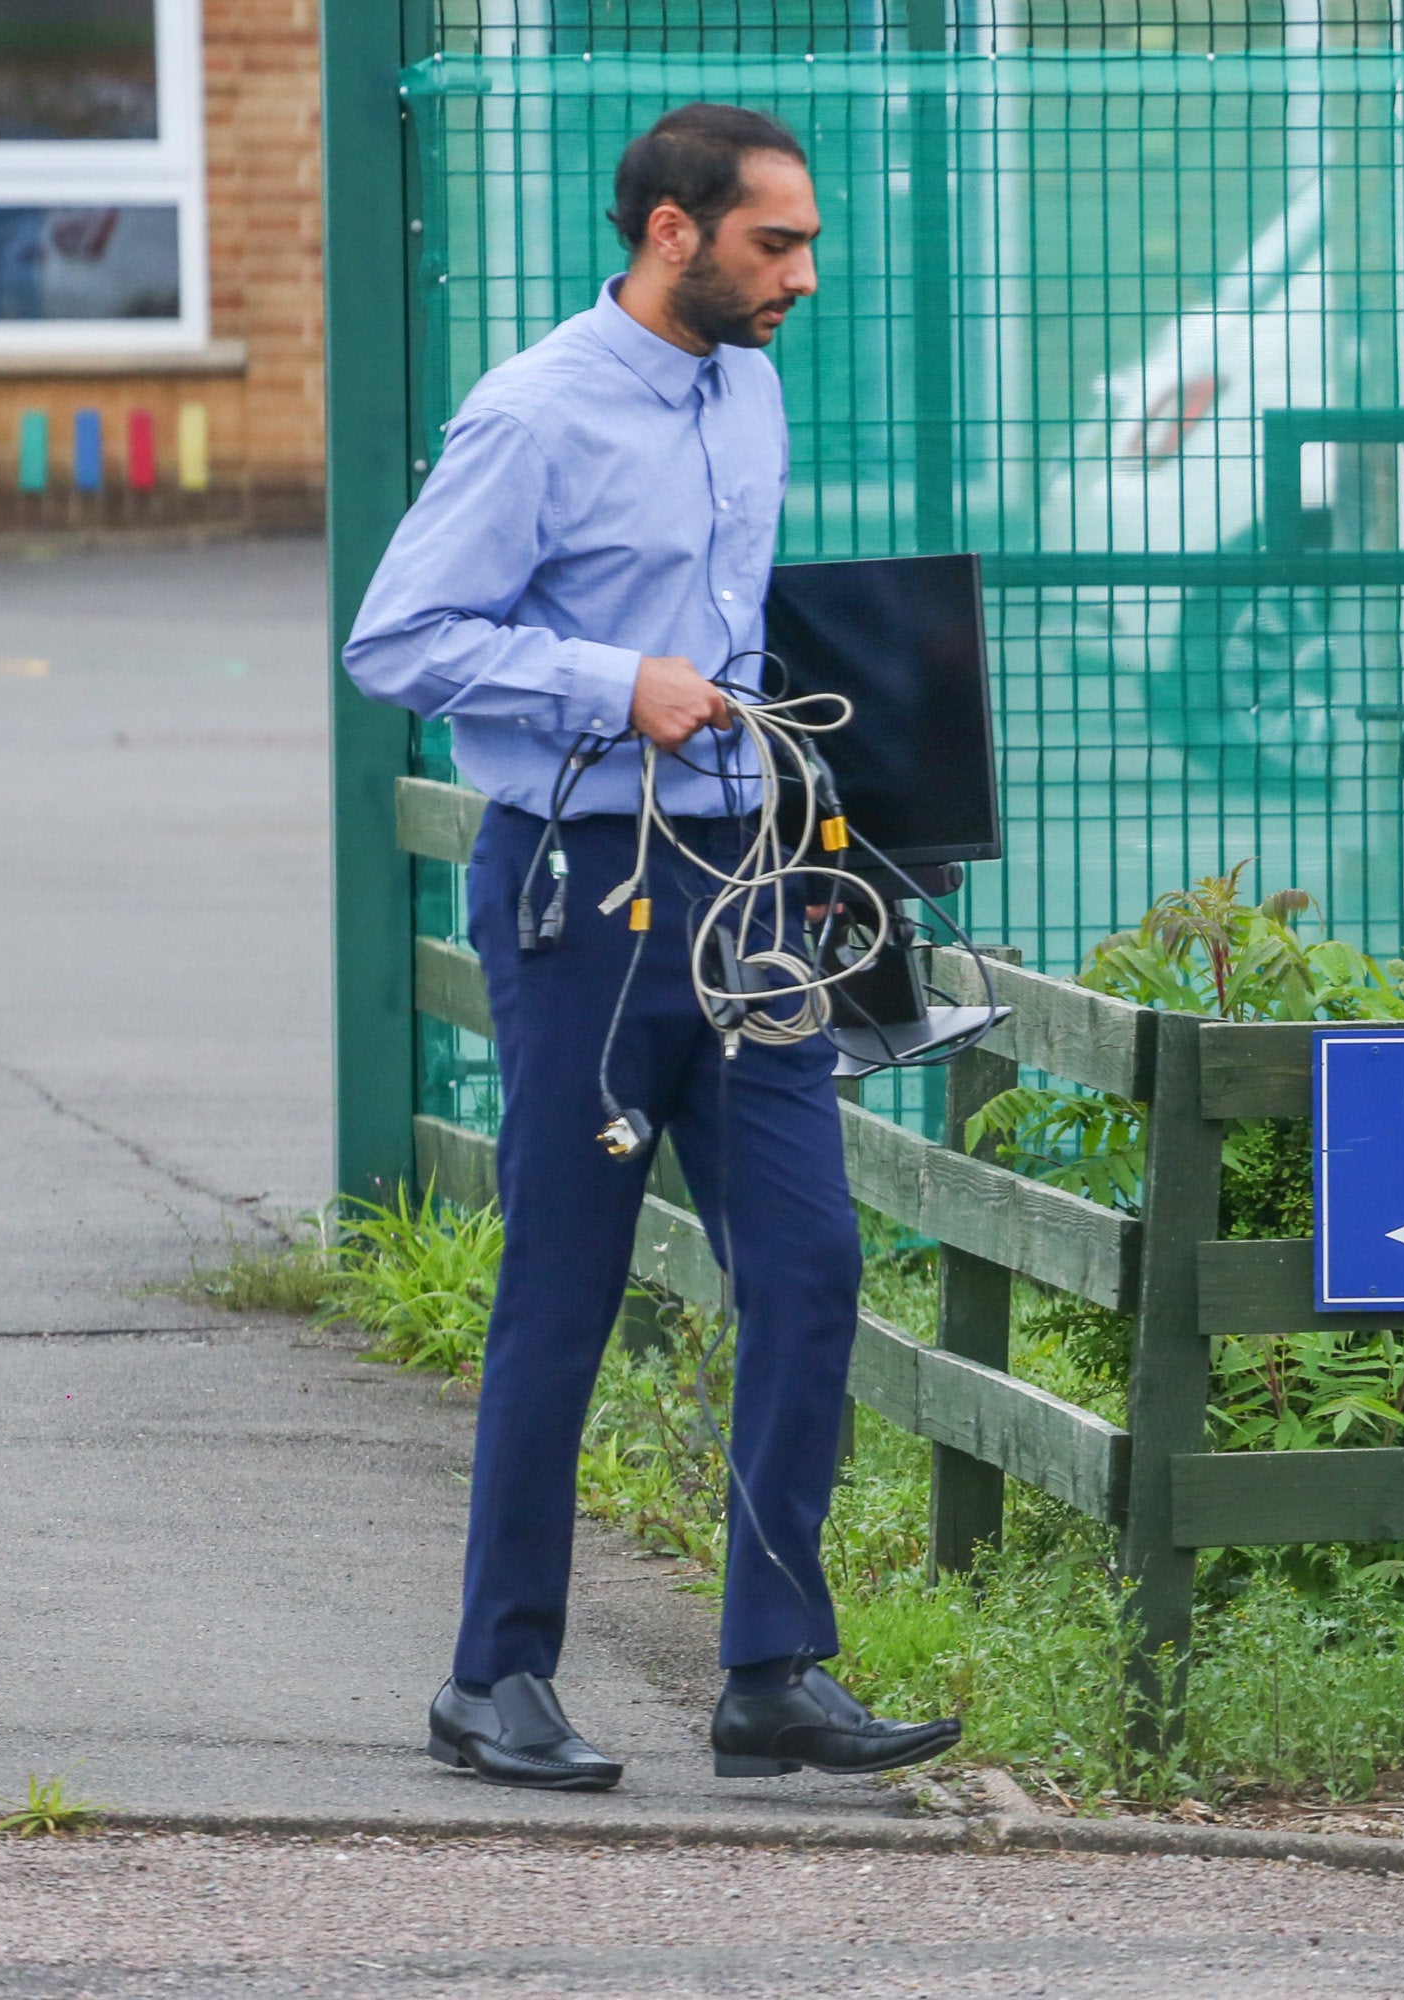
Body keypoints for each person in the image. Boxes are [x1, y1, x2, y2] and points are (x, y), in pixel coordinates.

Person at [345, 102, 960, 1792]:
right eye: (778, 243)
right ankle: (496, 1678)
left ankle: (770, 1675)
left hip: (743, 884)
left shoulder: (745, 391)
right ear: (673, 232)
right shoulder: (533, 415)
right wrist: (613, 685)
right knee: (568, 1279)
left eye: (810, 242)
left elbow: (741, 617)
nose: (805, 276)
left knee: (811, 1261)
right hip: (587, 899)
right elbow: (397, 638)